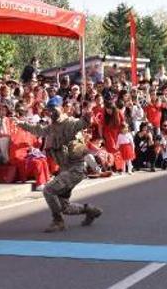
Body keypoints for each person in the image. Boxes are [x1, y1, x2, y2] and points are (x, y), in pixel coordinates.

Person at [16, 96, 102, 232]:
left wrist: (88, 115)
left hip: (75, 170)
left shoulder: (70, 123)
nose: (51, 112)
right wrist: (21, 124)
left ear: (61, 109)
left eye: (53, 109)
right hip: (65, 170)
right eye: (48, 110)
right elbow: (38, 130)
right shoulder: (52, 127)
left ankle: (58, 221)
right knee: (64, 207)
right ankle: (90, 210)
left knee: (48, 190)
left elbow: (83, 123)